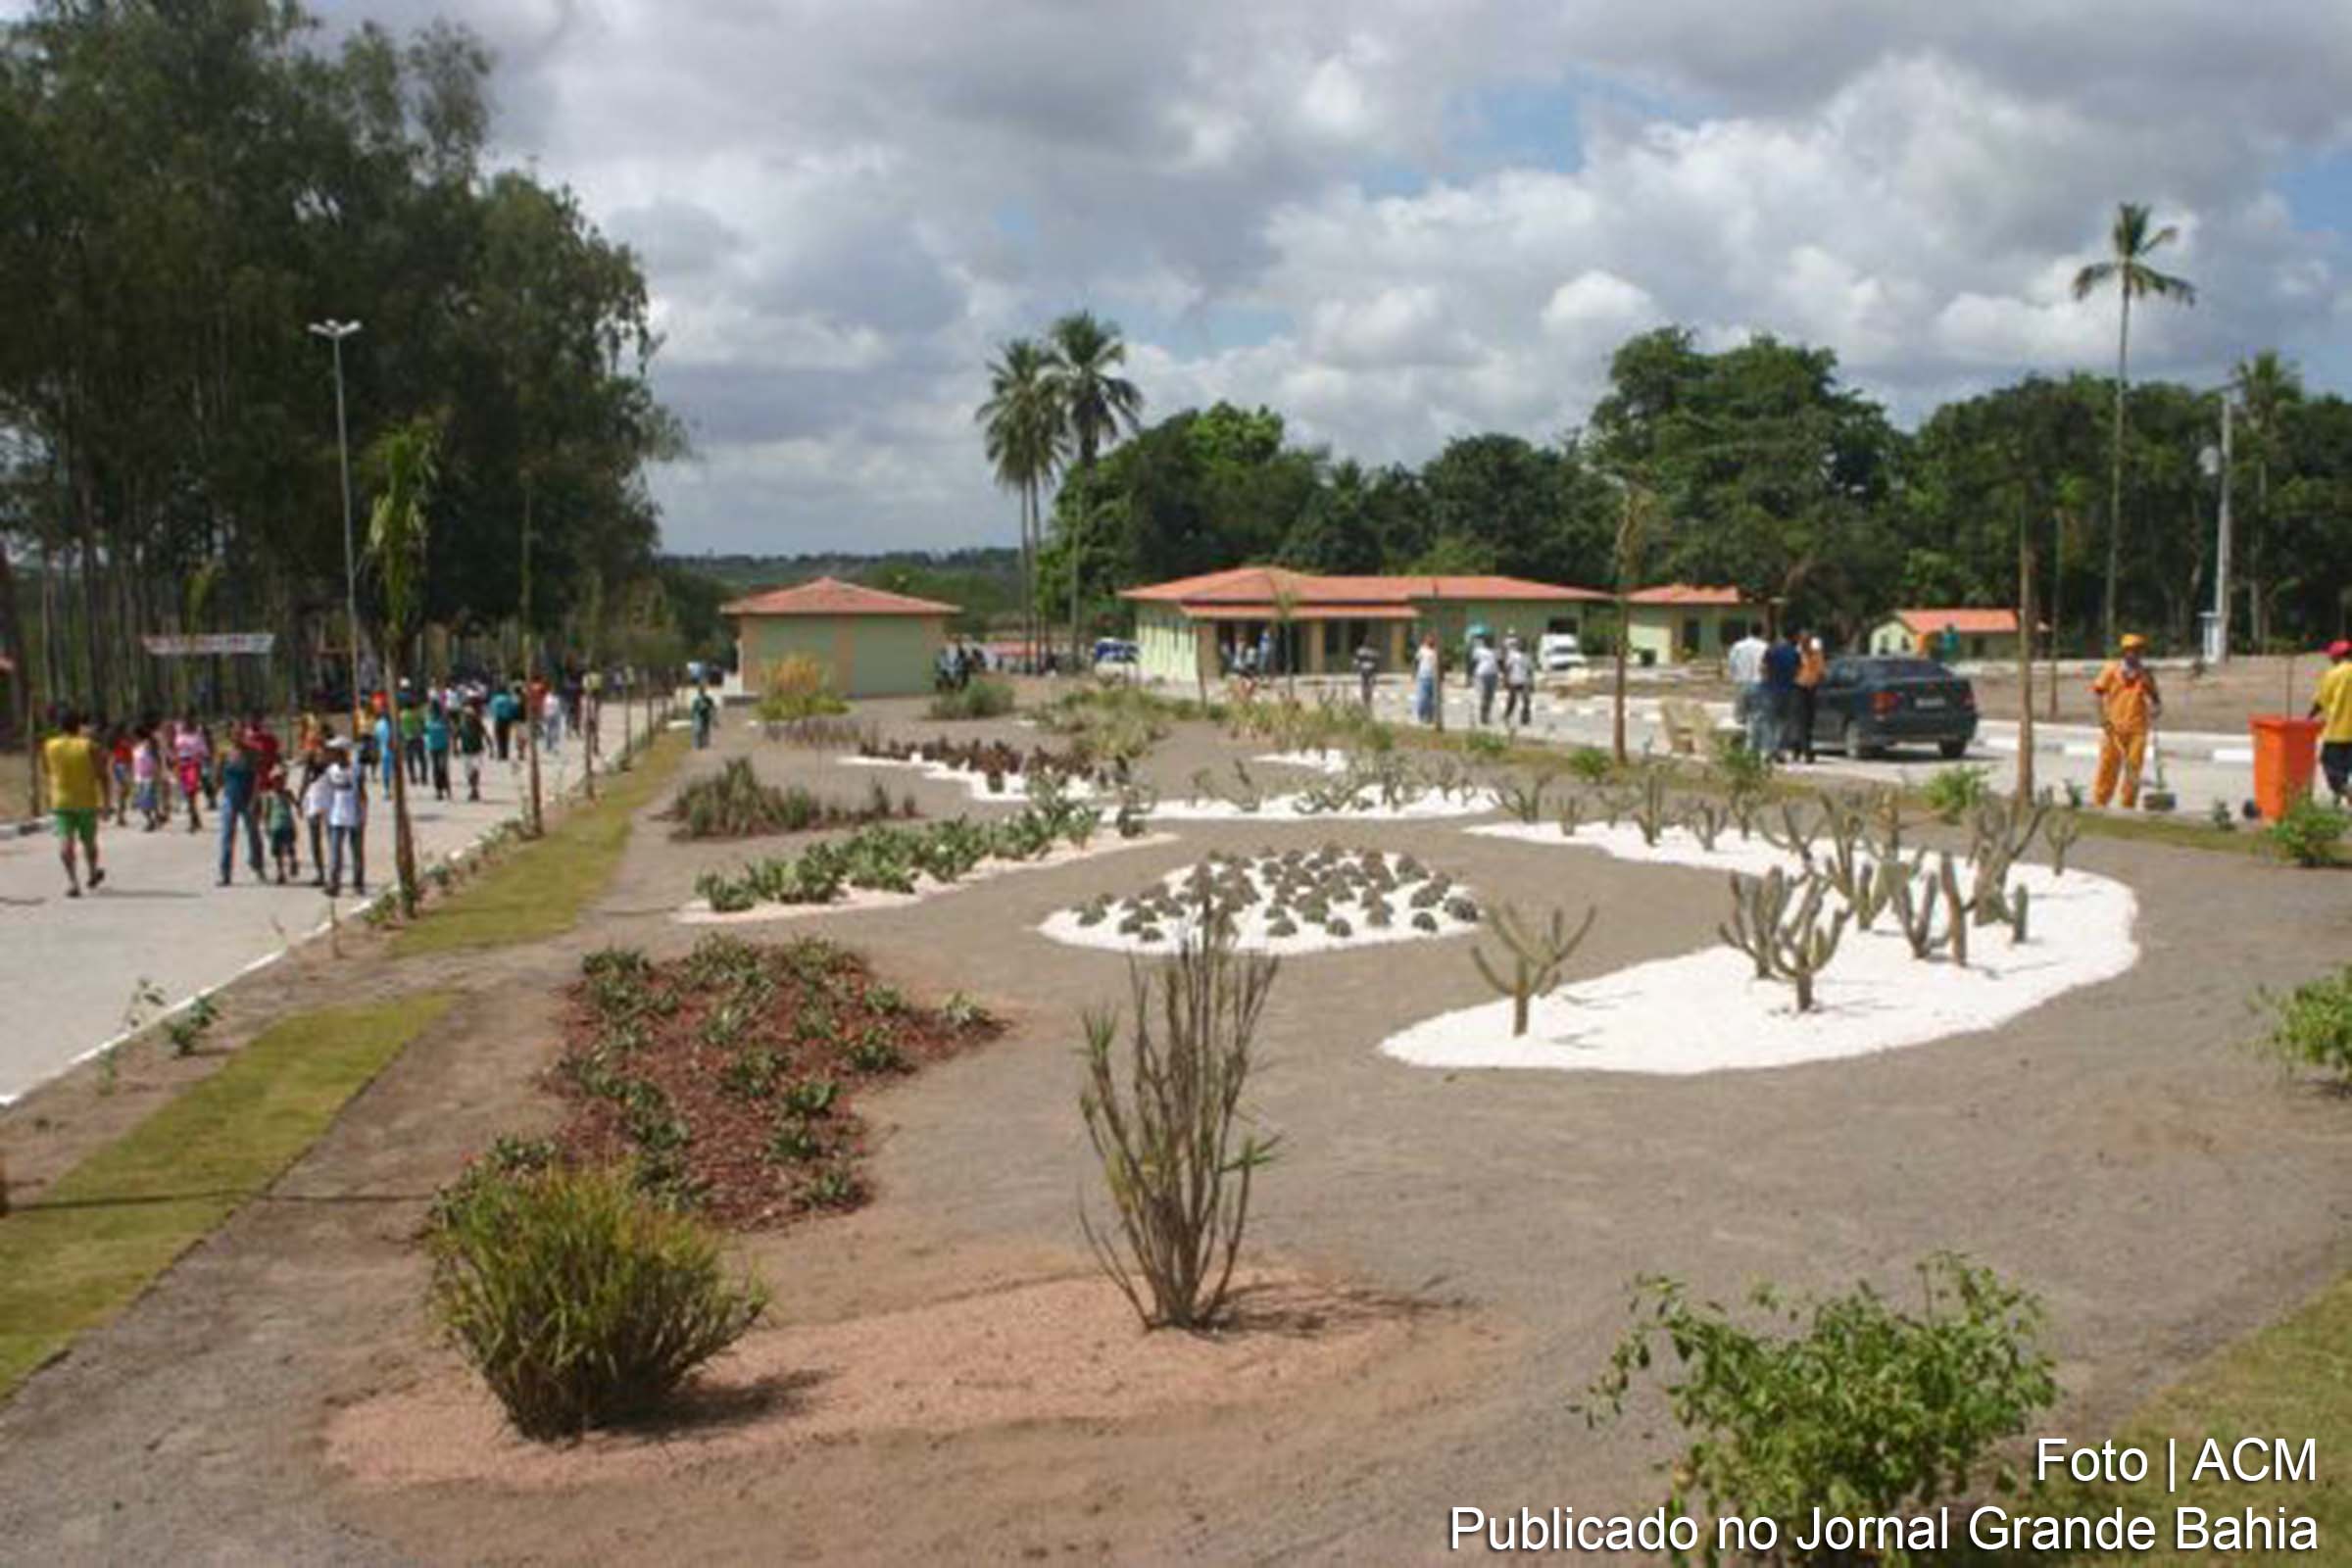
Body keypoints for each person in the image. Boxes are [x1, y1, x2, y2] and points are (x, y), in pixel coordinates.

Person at [2090, 633, 2163, 808]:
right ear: (2124, 652)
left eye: (2138, 650)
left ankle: (2127, 804)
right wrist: (2102, 718)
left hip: (2137, 728)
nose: (2134, 654)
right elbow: (2097, 694)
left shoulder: (2145, 675)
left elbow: (2155, 699)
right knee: (2107, 766)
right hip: (2113, 727)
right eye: (2131, 650)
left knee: (2133, 768)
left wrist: (2156, 709)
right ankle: (2100, 802)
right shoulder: (2111, 670)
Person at [42, 710, 108, 898]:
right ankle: (93, 871)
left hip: (61, 801)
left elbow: (47, 770)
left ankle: (73, 882)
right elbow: (102, 774)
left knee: (65, 843)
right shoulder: (89, 746)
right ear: (78, 726)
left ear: (59, 726)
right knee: (89, 842)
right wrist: (106, 802)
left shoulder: (49, 746)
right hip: (87, 800)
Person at [215, 728, 265, 886]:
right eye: (234, 735)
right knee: (227, 836)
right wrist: (218, 790)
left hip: (247, 797)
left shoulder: (251, 753)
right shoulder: (224, 752)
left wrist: (254, 799)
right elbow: (218, 773)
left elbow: (257, 777)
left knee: (253, 833)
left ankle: (257, 864)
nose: (237, 738)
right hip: (230, 797)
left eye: (240, 734)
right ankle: (225, 873)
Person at [2310, 639, 2352, 807]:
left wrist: (2308, 718)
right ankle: (2339, 800)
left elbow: (2320, 701)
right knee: (2345, 769)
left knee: (2330, 768)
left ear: (2336, 657)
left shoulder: (2333, 674)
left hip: (2337, 731)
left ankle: (2345, 792)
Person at [324, 739, 367, 898]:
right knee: (335, 852)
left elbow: (362, 793)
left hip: (353, 814)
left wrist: (363, 814)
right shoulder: (331, 770)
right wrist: (327, 814)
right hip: (336, 816)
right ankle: (334, 884)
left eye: (335, 752)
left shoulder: (356, 769)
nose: (332, 755)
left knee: (356, 852)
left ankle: (358, 883)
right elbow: (329, 793)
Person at [1728, 625, 1770, 757]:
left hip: (1741, 683)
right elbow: (1768, 666)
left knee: (1740, 717)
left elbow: (1731, 664)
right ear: (1762, 632)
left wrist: (1735, 677)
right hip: (1759, 684)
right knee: (1757, 717)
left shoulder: (1738, 646)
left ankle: (1738, 747)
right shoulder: (1765, 647)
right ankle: (1754, 749)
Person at [1760, 628, 1801, 761]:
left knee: (1769, 721)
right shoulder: (1794, 652)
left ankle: (1769, 750)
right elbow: (1798, 670)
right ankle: (1780, 751)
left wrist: (1765, 681)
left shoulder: (1771, 650)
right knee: (1784, 722)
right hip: (1788, 690)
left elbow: (1763, 668)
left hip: (1771, 689)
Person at [301, 735, 333, 885]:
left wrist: (301, 798)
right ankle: (322, 873)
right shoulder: (314, 757)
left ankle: (325, 873)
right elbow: (306, 778)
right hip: (317, 797)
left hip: (324, 797)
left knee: (326, 838)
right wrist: (301, 799)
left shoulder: (330, 757)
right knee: (322, 837)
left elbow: (305, 779)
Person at [1791, 629, 1826, 764]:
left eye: (1807, 639)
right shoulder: (1797, 653)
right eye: (1803, 639)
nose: (1805, 642)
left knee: (1808, 721)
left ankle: (1799, 748)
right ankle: (1805, 750)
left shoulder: (1816, 654)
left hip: (1811, 689)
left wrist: (1817, 679)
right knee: (1801, 720)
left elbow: (1821, 671)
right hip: (1798, 688)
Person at [172, 713, 208, 833]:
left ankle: (193, 821)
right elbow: (176, 751)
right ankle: (195, 818)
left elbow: (204, 752)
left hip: (193, 764)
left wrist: (199, 759)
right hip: (181, 765)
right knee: (187, 795)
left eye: (187, 722)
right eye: (183, 722)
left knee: (190, 793)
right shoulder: (179, 736)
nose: (185, 724)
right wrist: (175, 766)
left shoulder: (197, 736)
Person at [266, 781, 300, 885]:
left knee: (290, 846)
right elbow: (266, 812)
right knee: (277, 852)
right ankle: (280, 873)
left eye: (280, 780)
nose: (278, 783)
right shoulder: (270, 796)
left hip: (287, 823)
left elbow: (296, 804)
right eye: (276, 780)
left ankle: (293, 861)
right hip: (275, 825)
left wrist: (299, 809)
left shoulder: (288, 793)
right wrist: (267, 826)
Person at [458, 698, 489, 802]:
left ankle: (474, 790)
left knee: (475, 771)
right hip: (466, 751)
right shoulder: (462, 725)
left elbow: (486, 734)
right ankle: (473, 789)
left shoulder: (478, 724)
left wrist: (491, 746)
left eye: (470, 716)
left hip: (477, 750)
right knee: (468, 773)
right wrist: (454, 748)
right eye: (467, 716)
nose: (468, 718)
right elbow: (455, 736)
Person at [1501, 632, 1534, 727]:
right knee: (1512, 700)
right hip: (1514, 680)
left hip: (1524, 681)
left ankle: (1525, 718)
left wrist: (1532, 682)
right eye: (1521, 644)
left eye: (1524, 644)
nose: (1522, 646)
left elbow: (1529, 670)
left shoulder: (1528, 656)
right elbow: (1507, 668)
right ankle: (1506, 715)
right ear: (1518, 645)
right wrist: (1505, 679)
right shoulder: (1513, 655)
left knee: (1526, 699)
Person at [424, 699, 453, 802]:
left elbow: (450, 730)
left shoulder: (444, 718)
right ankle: (439, 791)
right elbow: (424, 731)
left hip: (443, 747)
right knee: (436, 769)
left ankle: (446, 788)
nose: (430, 709)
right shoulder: (427, 718)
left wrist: (453, 745)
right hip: (432, 747)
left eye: (431, 707)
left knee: (442, 768)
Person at [1471, 634, 1500, 726]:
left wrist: (1501, 675)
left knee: (1490, 697)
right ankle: (1482, 716)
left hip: (1493, 675)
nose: (1490, 643)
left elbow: (1499, 663)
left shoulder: (1496, 651)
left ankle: (1487, 715)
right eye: (1488, 641)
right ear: (1484, 642)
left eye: (1491, 641)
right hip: (1482, 675)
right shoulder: (1479, 650)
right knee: (1484, 696)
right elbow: (1474, 662)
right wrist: (1471, 675)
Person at [1413, 633, 1441, 726]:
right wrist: (1414, 674)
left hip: (1434, 677)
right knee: (1423, 698)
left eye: (1432, 639)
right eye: (1428, 639)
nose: (1430, 641)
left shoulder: (1436, 651)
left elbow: (1439, 665)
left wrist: (1441, 677)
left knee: (1432, 700)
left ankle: (1430, 717)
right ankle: (1421, 716)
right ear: (1425, 640)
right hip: (1423, 676)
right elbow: (1416, 662)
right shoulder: (1422, 650)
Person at [490, 682, 517, 760]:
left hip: (498, 719)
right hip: (507, 720)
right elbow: (513, 709)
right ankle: (505, 754)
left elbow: (492, 709)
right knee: (506, 737)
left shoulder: (495, 699)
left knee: (499, 737)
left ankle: (500, 754)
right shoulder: (509, 699)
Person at [1353, 637, 1379, 710]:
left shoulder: (1365, 651)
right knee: (1366, 684)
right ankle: (1366, 699)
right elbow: (1356, 661)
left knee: (1367, 684)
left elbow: (1376, 663)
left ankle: (1367, 699)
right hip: (1366, 669)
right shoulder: (1368, 651)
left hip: (1368, 669)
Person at [690, 683, 717, 750]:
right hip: (699, 716)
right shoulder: (696, 700)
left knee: (705, 730)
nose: (701, 691)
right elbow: (694, 709)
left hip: (705, 716)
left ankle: (704, 744)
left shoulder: (707, 699)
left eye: (702, 690)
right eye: (700, 690)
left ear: (704, 691)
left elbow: (713, 707)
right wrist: (693, 717)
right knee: (698, 730)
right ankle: (698, 745)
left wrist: (714, 716)